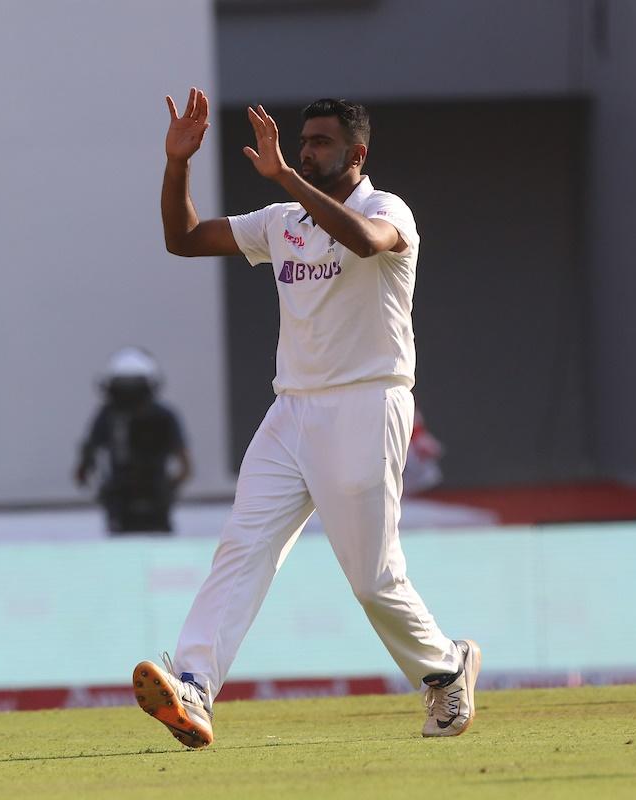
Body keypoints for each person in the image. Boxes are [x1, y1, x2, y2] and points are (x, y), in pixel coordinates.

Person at [132, 89, 480, 748]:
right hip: (291, 409)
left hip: (367, 401)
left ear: (358, 153)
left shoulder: (386, 208)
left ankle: (444, 668)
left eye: (321, 143)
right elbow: (183, 239)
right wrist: (177, 163)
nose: (306, 151)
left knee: (373, 579)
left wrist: (287, 178)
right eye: (303, 142)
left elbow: (369, 241)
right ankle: (195, 687)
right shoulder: (280, 219)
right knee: (242, 548)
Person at [74, 347, 192, 533]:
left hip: (149, 496)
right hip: (125, 499)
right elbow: (185, 465)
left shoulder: (163, 416)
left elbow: (185, 464)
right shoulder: (109, 416)